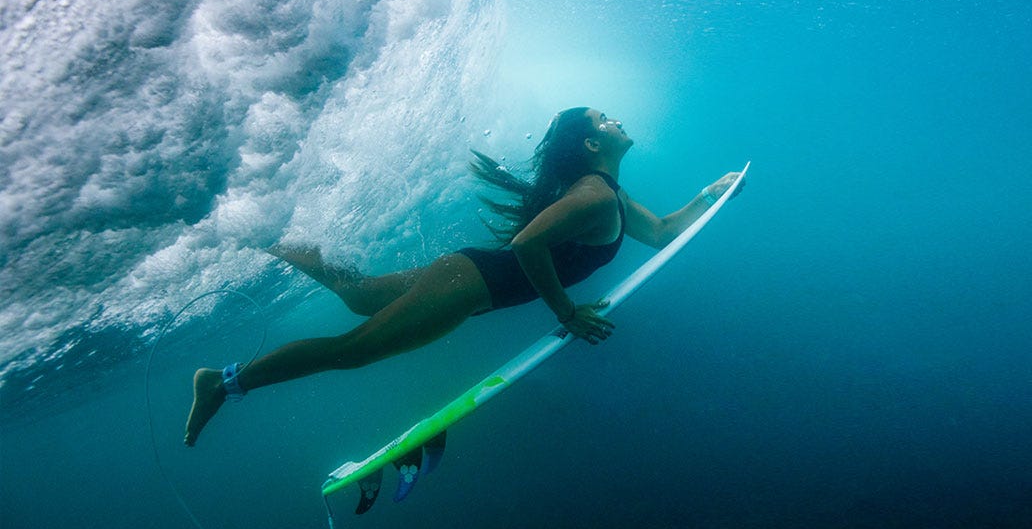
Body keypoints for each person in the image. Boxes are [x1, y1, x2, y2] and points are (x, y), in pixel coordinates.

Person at [184, 107, 743, 447]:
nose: (615, 120)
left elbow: (665, 233)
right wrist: (567, 314)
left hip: (469, 275)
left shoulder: (609, 193)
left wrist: (710, 196)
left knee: (358, 296)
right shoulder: (595, 194)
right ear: (593, 144)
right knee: (351, 351)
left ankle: (272, 235)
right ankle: (224, 382)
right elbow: (528, 244)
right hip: (470, 284)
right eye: (604, 119)